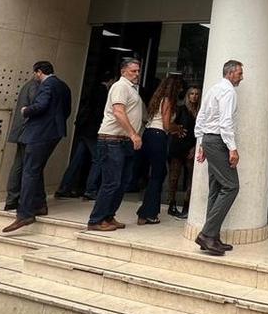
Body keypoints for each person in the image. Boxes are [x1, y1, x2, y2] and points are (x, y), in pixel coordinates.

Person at [3, 61, 72, 233]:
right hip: (54, 132)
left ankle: (25, 213)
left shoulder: (46, 85)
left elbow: (41, 105)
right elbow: (67, 110)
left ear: (39, 72)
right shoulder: (63, 86)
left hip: (39, 133)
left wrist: (26, 110)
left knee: (29, 170)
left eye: (35, 74)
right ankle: (40, 204)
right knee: (36, 168)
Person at [193, 59, 244, 256]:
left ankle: (211, 236)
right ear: (230, 73)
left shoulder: (214, 89)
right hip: (218, 142)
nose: (241, 77)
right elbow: (225, 122)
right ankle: (207, 234)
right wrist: (232, 149)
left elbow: (201, 117)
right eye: (239, 73)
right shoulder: (228, 91)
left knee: (215, 189)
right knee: (231, 186)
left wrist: (201, 143)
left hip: (209, 140)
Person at [86, 58, 143, 232]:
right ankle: (96, 219)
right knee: (111, 182)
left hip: (123, 141)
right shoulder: (120, 87)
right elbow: (119, 112)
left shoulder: (132, 89)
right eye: (133, 71)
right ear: (123, 71)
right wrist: (133, 134)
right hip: (112, 140)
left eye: (138, 71)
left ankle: (109, 216)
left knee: (121, 182)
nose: (137, 74)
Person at [57, 71, 115, 199]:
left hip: (83, 129)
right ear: (110, 80)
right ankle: (90, 190)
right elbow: (100, 113)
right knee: (98, 159)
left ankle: (64, 188)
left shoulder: (91, 90)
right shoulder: (103, 93)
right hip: (92, 131)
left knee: (77, 160)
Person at [137, 74, 183, 225]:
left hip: (149, 135)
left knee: (156, 174)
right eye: (180, 87)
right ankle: (147, 213)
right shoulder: (168, 100)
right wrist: (178, 128)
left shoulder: (158, 99)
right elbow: (166, 125)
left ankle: (147, 211)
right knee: (158, 174)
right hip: (158, 136)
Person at [3, 74, 40, 212]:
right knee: (26, 166)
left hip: (21, 130)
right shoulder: (34, 87)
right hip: (27, 130)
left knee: (19, 164)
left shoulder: (27, 85)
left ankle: (12, 198)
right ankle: (19, 199)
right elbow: (36, 107)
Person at [167, 85, 200, 218]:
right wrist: (177, 129)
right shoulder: (181, 109)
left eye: (196, 94)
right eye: (191, 93)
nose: (194, 96)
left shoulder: (200, 112)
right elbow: (169, 124)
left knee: (191, 178)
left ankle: (187, 205)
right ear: (187, 95)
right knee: (174, 177)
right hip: (178, 146)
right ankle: (172, 204)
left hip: (192, 148)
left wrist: (195, 147)